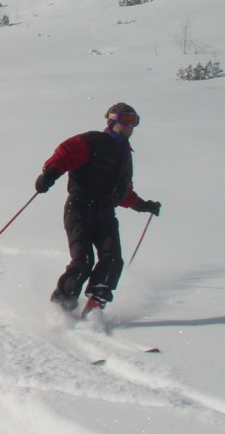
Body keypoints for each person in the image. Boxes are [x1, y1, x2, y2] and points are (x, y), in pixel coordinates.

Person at [34, 103, 161, 315]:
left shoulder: (125, 155)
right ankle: (60, 308)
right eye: (125, 119)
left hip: (105, 213)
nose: (130, 125)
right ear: (112, 120)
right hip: (80, 208)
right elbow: (66, 152)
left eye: (134, 121)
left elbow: (124, 192)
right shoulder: (94, 141)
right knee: (83, 261)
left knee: (112, 260)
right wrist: (50, 173)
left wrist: (144, 206)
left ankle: (95, 305)